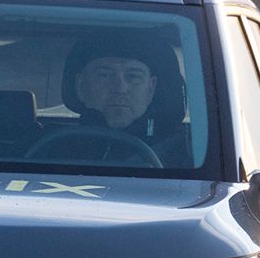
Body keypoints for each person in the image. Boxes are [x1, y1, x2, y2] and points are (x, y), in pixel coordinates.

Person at [60, 32, 194, 166]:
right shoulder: (49, 150)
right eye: (104, 75)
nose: (120, 88)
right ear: (81, 86)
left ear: (151, 88)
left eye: (133, 76)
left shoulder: (188, 158)